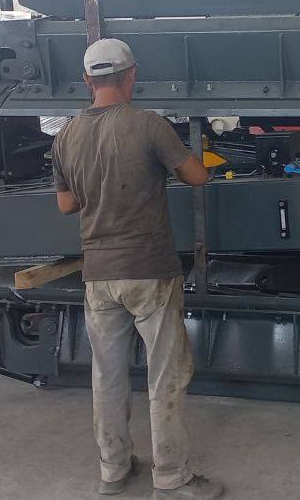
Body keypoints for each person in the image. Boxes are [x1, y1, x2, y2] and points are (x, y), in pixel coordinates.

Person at [51, 38, 220, 500]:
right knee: (165, 375)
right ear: (131, 76)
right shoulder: (148, 125)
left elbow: (66, 204)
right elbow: (198, 176)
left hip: (98, 273)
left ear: (87, 81)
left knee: (107, 376)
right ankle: (171, 478)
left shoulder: (65, 136)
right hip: (149, 269)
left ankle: (113, 470)